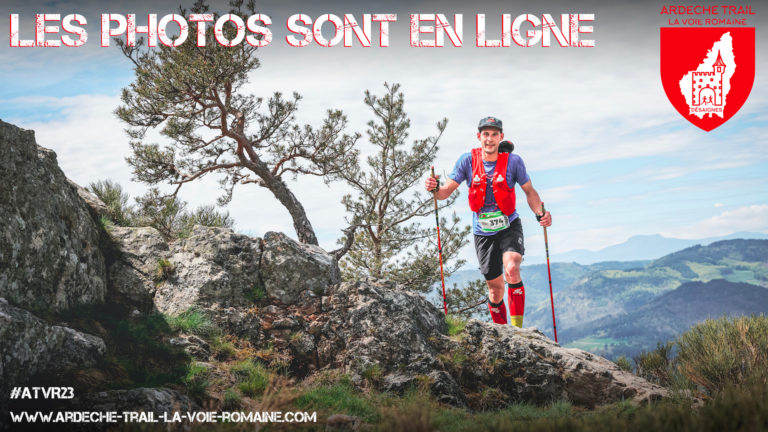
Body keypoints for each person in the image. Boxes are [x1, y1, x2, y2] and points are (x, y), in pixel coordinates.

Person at [425, 116, 552, 327]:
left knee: (511, 268)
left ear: (501, 137)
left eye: (494, 134)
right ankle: (502, 333)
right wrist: (434, 188)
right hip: (483, 233)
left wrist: (541, 214)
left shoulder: (514, 162)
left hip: (509, 225)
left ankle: (518, 332)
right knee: (495, 290)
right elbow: (444, 192)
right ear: (479, 137)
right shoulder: (467, 161)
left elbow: (529, 191)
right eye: (486, 134)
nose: (490, 139)